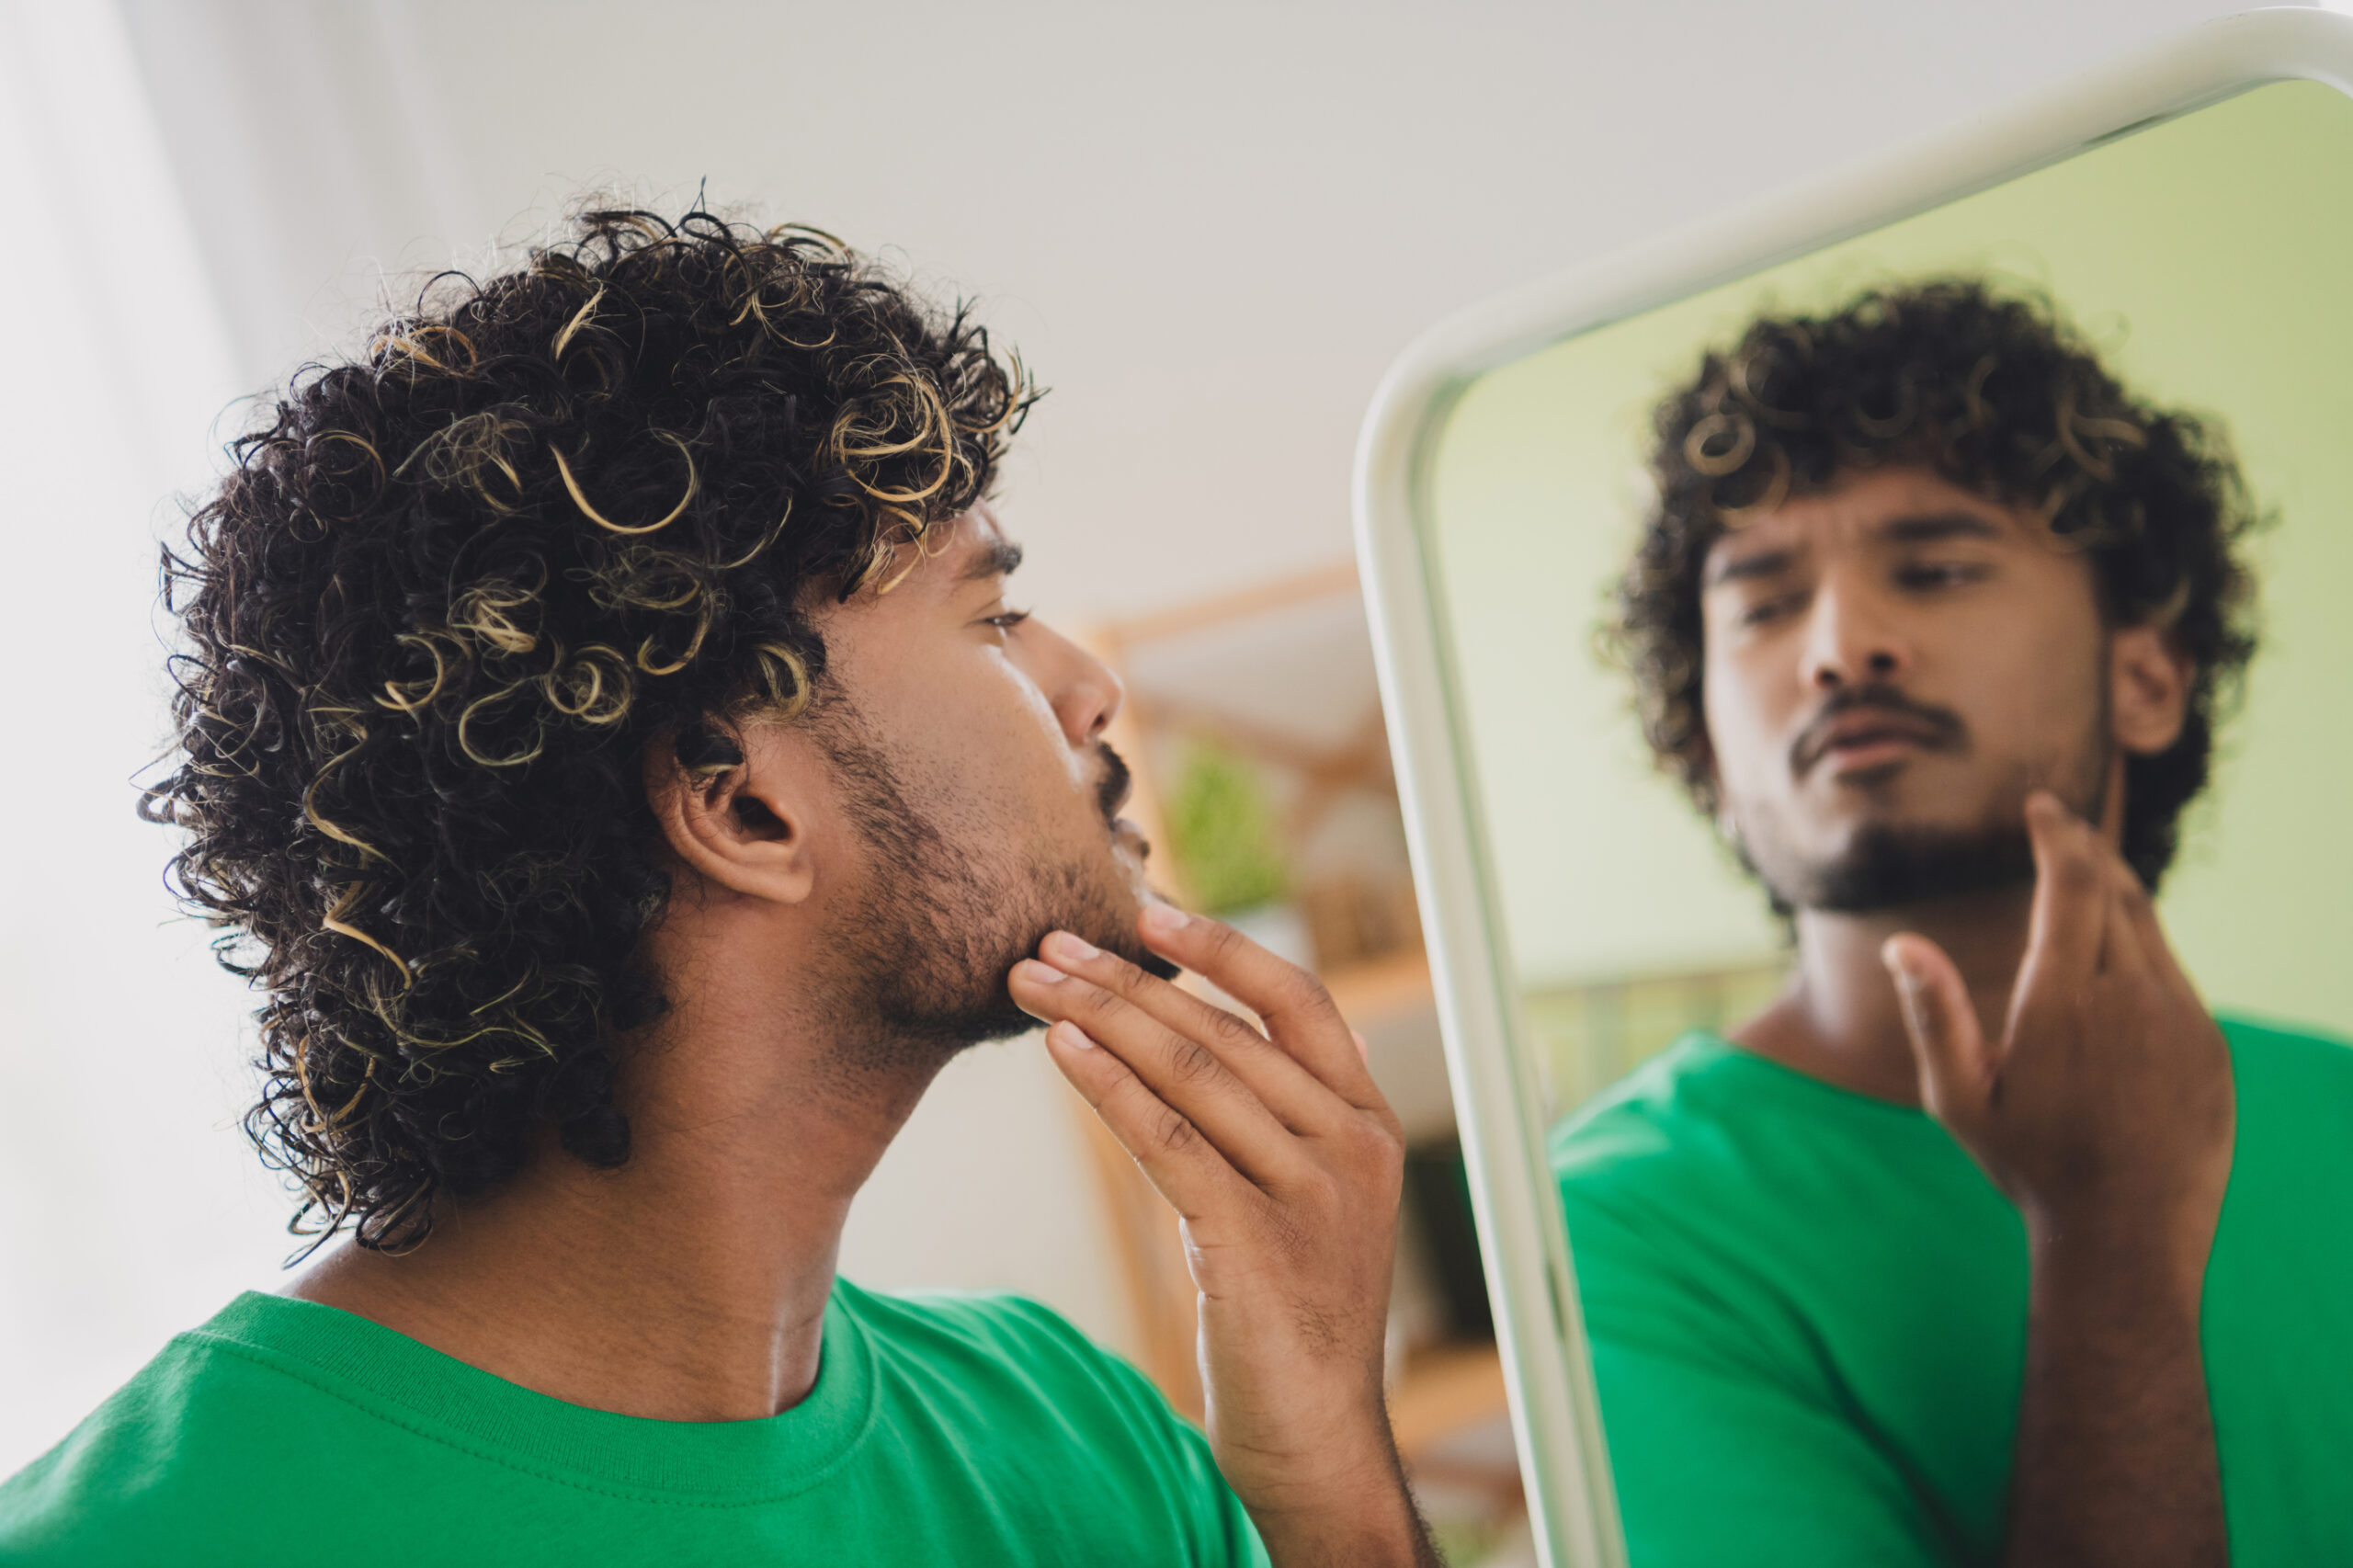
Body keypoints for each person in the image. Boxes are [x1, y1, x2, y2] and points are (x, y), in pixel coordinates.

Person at [0, 208, 1435, 1567]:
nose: (1086, 687)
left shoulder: (1082, 1446)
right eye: (991, 616)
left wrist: (1327, 1485)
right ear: (741, 802)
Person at [1555, 280, 2353, 1567]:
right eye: (1761, 604)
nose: (1839, 646)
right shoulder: (1605, 1238)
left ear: (2144, 677)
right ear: (1703, 740)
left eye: (1932, 570)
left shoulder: (2342, 1104)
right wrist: (2106, 1241)